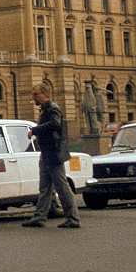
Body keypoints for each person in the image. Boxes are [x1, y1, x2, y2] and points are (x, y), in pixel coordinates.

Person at [23, 82, 81, 229]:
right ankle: (40, 217)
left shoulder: (53, 108)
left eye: (36, 94)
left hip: (54, 153)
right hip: (47, 152)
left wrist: (35, 130)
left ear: (45, 94)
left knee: (62, 187)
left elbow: (55, 124)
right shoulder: (45, 109)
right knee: (45, 187)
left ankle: (73, 218)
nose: (34, 97)